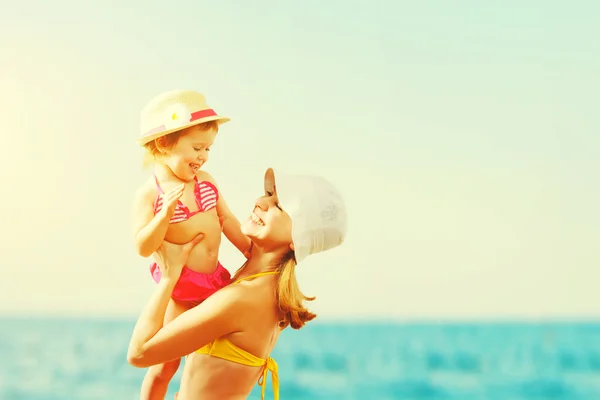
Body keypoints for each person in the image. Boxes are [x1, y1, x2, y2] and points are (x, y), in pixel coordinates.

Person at [127, 167, 348, 400]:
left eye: (279, 206)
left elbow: (139, 353)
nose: (261, 202)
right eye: (268, 193)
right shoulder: (261, 287)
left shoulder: (243, 297)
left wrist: (169, 278)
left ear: (297, 240)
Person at [132, 89, 251, 399]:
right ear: (163, 143)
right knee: (164, 364)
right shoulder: (151, 194)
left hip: (216, 282)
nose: (203, 157)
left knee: (210, 357)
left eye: (208, 149)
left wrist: (251, 251)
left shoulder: (207, 181)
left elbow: (229, 222)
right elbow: (143, 246)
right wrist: (163, 217)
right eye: (197, 147)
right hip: (183, 290)